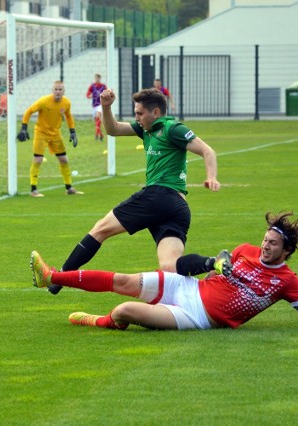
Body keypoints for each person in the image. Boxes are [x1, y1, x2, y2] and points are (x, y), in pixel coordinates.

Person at [30, 211, 298, 333]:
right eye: (265, 239)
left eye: (273, 244)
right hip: (187, 287)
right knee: (123, 281)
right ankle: (52, 276)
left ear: (286, 251)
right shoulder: (246, 250)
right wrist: (217, 263)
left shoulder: (287, 281)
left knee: (123, 311)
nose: (265, 246)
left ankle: (97, 320)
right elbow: (222, 259)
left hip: (197, 316)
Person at [46, 87, 220, 294]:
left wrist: (211, 177)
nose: (136, 117)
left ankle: (59, 278)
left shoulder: (173, 128)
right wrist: (106, 106)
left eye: (139, 113)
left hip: (159, 195)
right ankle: (214, 263)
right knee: (169, 266)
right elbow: (113, 129)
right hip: (178, 208)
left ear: (155, 113)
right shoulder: (146, 129)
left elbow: (207, 151)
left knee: (101, 229)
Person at [17, 80, 83, 197]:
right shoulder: (44, 101)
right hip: (41, 133)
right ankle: (33, 189)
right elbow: (29, 111)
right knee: (38, 160)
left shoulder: (66, 103)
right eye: (56, 89)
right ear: (52, 91)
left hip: (55, 134)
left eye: (60, 90)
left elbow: (68, 116)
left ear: (64, 91)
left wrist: (72, 131)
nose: (58, 92)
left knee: (64, 160)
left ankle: (69, 188)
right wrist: (24, 128)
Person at [86, 73, 108, 141]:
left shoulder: (103, 86)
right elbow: (87, 95)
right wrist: (90, 96)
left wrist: (105, 96)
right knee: (97, 121)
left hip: (100, 105)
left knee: (98, 117)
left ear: (99, 78)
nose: (96, 79)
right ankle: (100, 134)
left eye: (98, 78)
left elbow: (107, 93)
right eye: (95, 78)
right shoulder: (92, 86)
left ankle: (96, 134)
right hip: (94, 105)